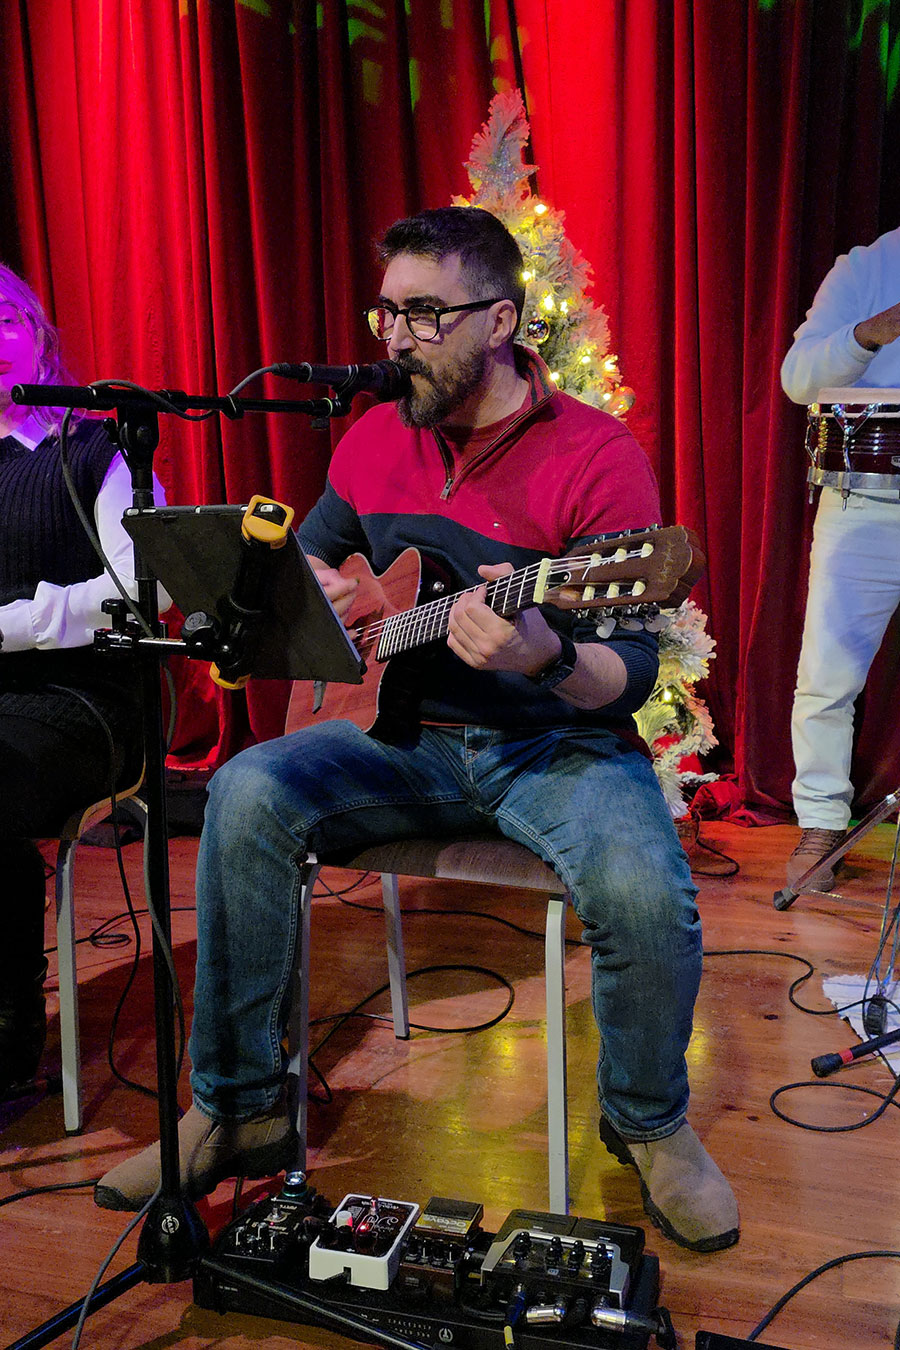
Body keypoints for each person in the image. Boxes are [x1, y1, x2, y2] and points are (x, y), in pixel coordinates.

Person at [95, 207, 739, 1253]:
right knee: (245, 790)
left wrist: (546, 655)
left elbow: (628, 676)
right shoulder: (372, 438)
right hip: (405, 735)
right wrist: (316, 588)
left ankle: (648, 1123)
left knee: (641, 889)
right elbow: (312, 564)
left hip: (556, 747)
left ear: (501, 320)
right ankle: (239, 1109)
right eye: (388, 312)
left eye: (425, 313)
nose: (395, 337)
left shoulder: (597, 456)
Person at [0, 263, 164, 1097]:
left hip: (84, 701)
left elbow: (143, 591)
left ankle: (9, 1015)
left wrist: (14, 624)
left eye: (2, 319)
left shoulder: (98, 447)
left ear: (37, 330)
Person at [781, 227, 900, 889]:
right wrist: (875, 331)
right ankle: (822, 822)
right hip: (867, 501)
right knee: (828, 675)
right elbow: (798, 379)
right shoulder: (868, 267)